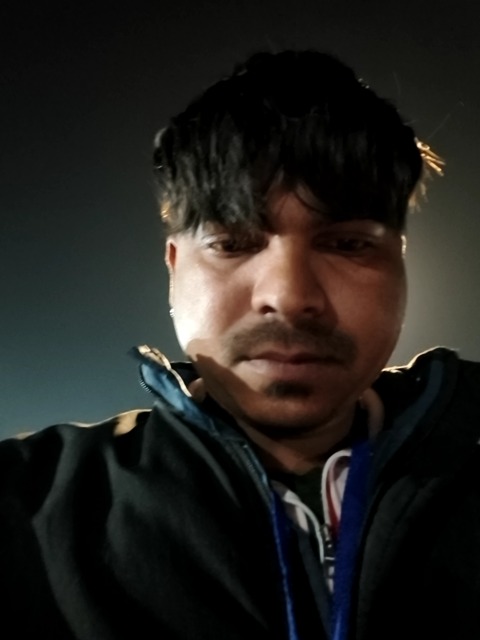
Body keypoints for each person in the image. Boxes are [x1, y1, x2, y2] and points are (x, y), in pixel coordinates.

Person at [0, 49, 477, 640]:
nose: (289, 296)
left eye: (348, 244)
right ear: (173, 265)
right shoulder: (24, 505)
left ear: (399, 264)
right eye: (231, 243)